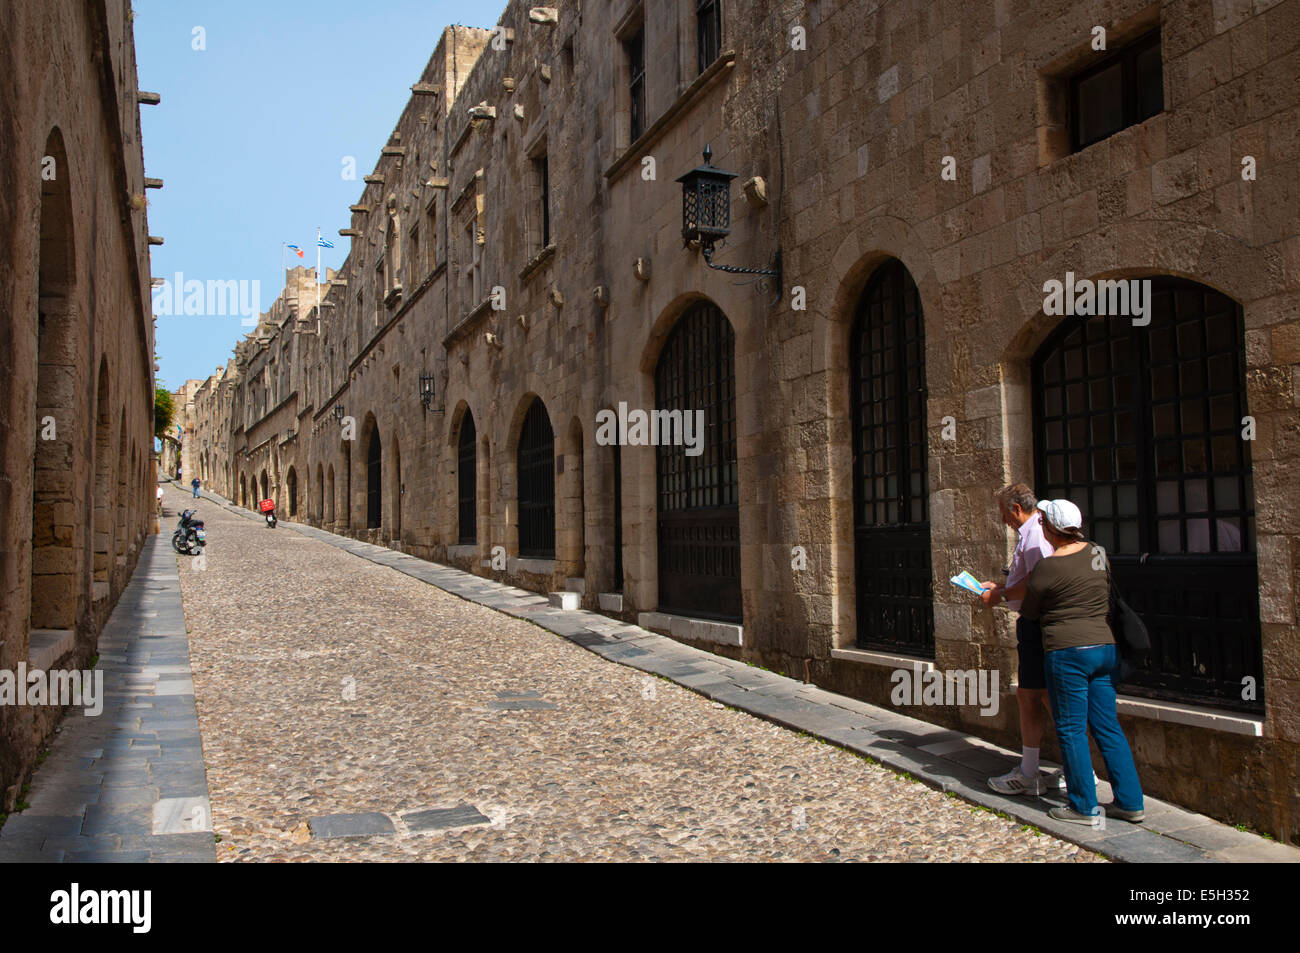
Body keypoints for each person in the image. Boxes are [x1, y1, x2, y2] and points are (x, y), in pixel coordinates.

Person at [1019, 499, 1145, 825]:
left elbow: (1030, 611)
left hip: (1067, 651)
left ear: (1050, 528)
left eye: (1043, 522)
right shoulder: (1098, 554)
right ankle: (1130, 802)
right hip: (1104, 648)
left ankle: (1083, 806)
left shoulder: (1047, 567)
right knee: (1107, 726)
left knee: (1071, 729)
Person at [979, 484, 1058, 796]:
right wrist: (1002, 584)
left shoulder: (1035, 532)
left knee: (1036, 696)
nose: (1003, 522)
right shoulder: (1032, 531)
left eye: (1003, 514)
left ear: (1016, 509)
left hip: (1038, 624)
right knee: (1034, 696)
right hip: (1035, 623)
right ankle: (1041, 768)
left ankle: (1031, 772)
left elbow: (1041, 577)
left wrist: (999, 594)